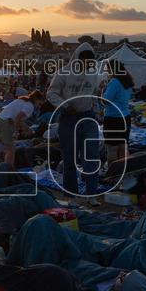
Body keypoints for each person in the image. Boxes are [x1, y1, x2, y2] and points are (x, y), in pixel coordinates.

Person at [46, 43, 101, 203]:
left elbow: (94, 94)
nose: (87, 65)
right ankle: (71, 195)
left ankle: (91, 194)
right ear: (77, 59)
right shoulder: (63, 73)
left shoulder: (93, 74)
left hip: (88, 118)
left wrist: (97, 110)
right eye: (84, 62)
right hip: (68, 119)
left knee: (91, 157)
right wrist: (65, 105)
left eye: (90, 62)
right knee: (69, 158)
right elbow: (51, 93)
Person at [0, 91, 43, 168]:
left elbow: (18, 119)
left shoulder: (23, 100)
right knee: (11, 149)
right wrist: (16, 132)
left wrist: (27, 128)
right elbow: (17, 118)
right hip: (5, 123)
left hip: (0, 121)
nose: (39, 106)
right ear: (36, 99)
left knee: (7, 149)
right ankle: (9, 169)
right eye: (39, 104)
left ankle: (5, 168)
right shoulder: (30, 106)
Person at [102, 64, 134, 168]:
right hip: (125, 117)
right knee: (123, 147)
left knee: (112, 148)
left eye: (108, 70)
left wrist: (101, 91)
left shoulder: (114, 82)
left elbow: (106, 100)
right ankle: (125, 170)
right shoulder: (127, 82)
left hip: (113, 118)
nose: (107, 73)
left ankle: (113, 173)